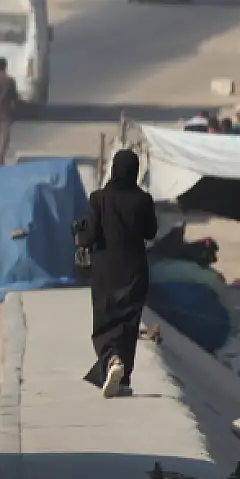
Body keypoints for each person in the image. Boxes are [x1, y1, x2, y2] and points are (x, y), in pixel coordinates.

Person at [82, 149, 159, 398]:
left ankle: (111, 359)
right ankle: (122, 378)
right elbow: (150, 232)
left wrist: (79, 236)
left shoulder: (98, 199)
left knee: (105, 319)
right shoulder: (143, 200)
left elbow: (89, 236)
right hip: (135, 270)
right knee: (128, 322)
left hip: (105, 270)